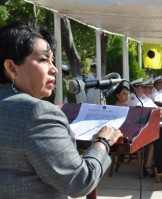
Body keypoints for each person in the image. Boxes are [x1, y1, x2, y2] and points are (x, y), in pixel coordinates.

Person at [0, 21, 123, 198]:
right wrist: (102, 142)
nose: (55, 69)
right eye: (43, 60)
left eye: (52, 60)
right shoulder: (37, 112)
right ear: (11, 67)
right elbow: (80, 182)